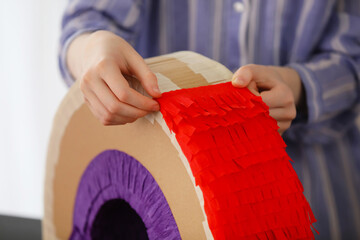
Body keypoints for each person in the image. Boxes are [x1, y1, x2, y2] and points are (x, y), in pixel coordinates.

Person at [59, 0, 360, 239]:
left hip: (318, 193)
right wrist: (91, 50)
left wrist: (298, 86)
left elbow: (353, 59)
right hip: (160, 205)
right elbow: (83, 24)